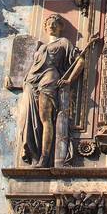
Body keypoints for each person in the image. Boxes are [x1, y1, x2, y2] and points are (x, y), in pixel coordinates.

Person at [19, 13, 84, 168]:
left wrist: (69, 79)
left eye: (55, 23)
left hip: (49, 78)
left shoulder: (64, 42)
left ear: (61, 27)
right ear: (45, 27)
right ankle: (34, 152)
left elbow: (80, 61)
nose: (51, 25)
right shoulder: (41, 47)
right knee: (28, 118)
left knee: (45, 118)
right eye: (49, 23)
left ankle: (44, 158)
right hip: (32, 82)